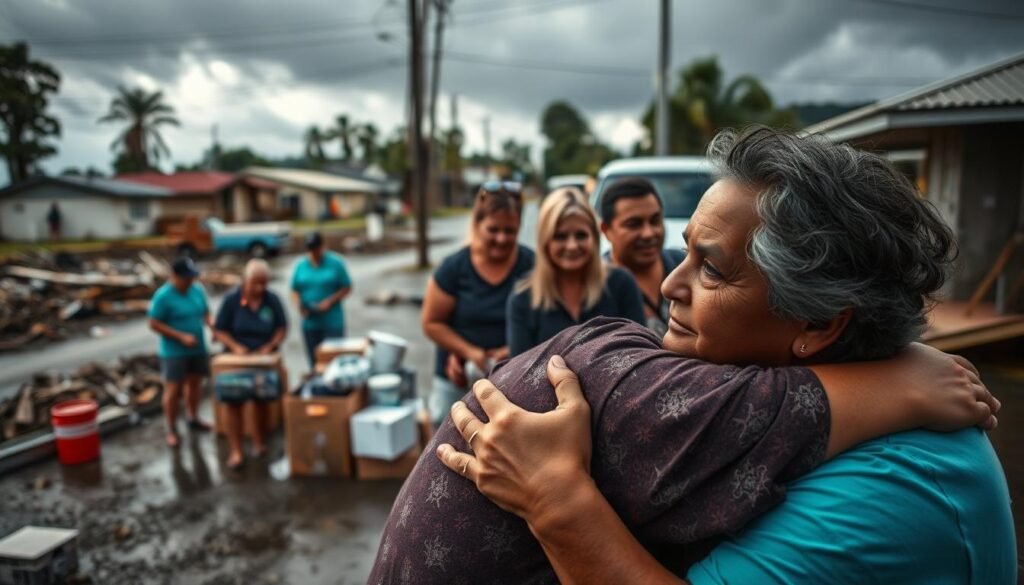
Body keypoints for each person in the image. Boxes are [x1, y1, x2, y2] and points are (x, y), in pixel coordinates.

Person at [367, 127, 1014, 584]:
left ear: (818, 321)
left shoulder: (889, 489)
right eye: (687, 252)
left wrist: (555, 498)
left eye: (711, 269)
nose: (671, 284)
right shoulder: (828, 394)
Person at [421, 181, 534, 426]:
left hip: (515, 373)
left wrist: (511, 349)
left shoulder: (532, 266)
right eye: (493, 229)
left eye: (510, 231)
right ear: (477, 224)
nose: (502, 239)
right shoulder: (454, 268)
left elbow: (546, 319)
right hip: (456, 377)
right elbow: (431, 322)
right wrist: (469, 352)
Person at [506, 187, 645, 356]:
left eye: (581, 235)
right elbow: (519, 374)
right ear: (545, 241)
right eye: (560, 236)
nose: (572, 246)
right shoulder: (523, 299)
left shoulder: (621, 284)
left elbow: (641, 354)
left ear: (594, 237)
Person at [212, 259, 288, 469]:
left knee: (260, 401)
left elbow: (282, 328)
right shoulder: (231, 300)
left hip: (262, 360)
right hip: (236, 361)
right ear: (245, 280)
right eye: (256, 283)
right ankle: (236, 450)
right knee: (233, 403)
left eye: (264, 284)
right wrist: (235, 346)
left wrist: (271, 345)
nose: (260, 288)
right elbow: (219, 330)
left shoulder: (271, 300)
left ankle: (258, 441)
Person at [599, 177, 684, 337]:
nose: (648, 233)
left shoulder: (682, 265)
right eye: (634, 224)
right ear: (606, 230)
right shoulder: (596, 288)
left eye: (655, 220)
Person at [148, 256, 212, 448]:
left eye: (192, 277)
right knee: (173, 390)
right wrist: (180, 336)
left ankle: (193, 417)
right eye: (186, 278)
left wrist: (211, 325)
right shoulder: (163, 296)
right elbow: (154, 323)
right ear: (174, 276)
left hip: (197, 347)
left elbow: (206, 312)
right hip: (174, 352)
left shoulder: (197, 290)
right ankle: (171, 428)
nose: (190, 281)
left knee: (195, 383)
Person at [290, 231, 352, 367]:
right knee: (314, 361)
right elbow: (294, 289)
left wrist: (330, 301)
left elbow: (347, 287)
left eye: (316, 249)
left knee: (334, 360)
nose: (313, 253)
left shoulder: (336, 263)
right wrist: (299, 305)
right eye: (310, 249)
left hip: (332, 321)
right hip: (310, 322)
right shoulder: (301, 265)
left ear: (322, 247)